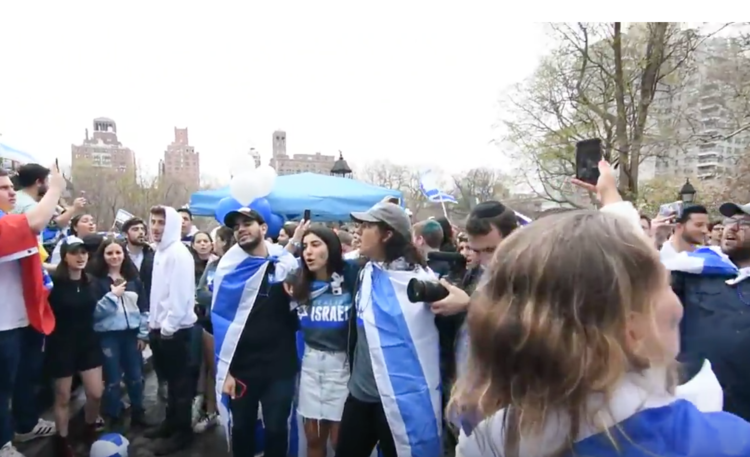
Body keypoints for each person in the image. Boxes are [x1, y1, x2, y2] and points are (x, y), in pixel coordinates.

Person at [452, 162, 750, 456]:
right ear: (632, 329)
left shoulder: (484, 437)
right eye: (666, 285)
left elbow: (604, 269)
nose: (679, 305)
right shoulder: (723, 444)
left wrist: (610, 197)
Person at [336, 202, 441, 457]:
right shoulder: (366, 272)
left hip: (400, 400)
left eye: (366, 226)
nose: (358, 231)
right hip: (360, 394)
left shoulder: (422, 283)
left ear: (387, 234)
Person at [213, 207, 299, 457]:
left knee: (277, 430)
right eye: (236, 226)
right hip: (242, 370)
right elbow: (220, 323)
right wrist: (226, 371)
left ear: (263, 228)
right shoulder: (229, 269)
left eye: (247, 223)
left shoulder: (286, 265)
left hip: (280, 368)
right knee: (241, 431)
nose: (241, 229)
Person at [665, 201, 750, 420]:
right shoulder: (690, 269)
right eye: (731, 221)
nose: (732, 228)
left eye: (744, 223)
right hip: (696, 404)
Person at [0, 166, 64, 457]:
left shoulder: (9, 219)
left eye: (11, 186)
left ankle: (25, 425)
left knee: (27, 376)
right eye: (3, 188)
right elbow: (36, 223)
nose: (12, 192)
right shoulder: (8, 223)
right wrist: (56, 188)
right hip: (3, 325)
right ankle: (3, 443)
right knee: (3, 387)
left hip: (24, 317)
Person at [287, 226, 357, 457]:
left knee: (341, 441)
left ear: (332, 248)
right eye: (305, 246)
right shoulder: (298, 283)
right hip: (311, 365)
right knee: (314, 439)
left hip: (343, 367)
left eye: (316, 245)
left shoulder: (351, 276)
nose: (308, 251)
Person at [143, 206, 198, 455]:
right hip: (160, 329)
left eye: (161, 223)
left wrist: (167, 328)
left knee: (180, 385)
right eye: (153, 222)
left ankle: (182, 433)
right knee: (169, 384)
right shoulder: (161, 251)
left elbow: (180, 297)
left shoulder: (178, 253)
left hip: (176, 331)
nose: (155, 228)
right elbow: (159, 294)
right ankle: (170, 423)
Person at [46, 236, 104, 457]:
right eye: (74, 252)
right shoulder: (54, 284)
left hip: (88, 342)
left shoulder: (91, 282)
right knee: (62, 397)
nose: (80, 257)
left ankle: (89, 427)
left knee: (96, 393)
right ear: (64, 256)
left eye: (83, 252)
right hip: (61, 344)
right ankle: (62, 440)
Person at [89, 238, 152, 429]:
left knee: (136, 376)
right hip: (108, 336)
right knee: (112, 379)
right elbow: (95, 312)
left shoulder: (133, 279)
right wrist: (112, 296)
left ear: (124, 255)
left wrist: (143, 334)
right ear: (102, 256)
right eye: (109, 253)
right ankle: (113, 414)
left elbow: (144, 308)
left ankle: (138, 412)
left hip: (131, 335)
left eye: (118, 252)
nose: (114, 257)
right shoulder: (96, 281)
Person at [192, 227, 235, 434]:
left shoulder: (239, 265)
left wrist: (220, 296)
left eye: (215, 239)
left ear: (224, 241)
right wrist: (221, 297)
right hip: (211, 325)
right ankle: (211, 411)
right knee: (212, 370)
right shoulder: (213, 266)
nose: (212, 244)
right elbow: (200, 293)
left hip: (234, 327)